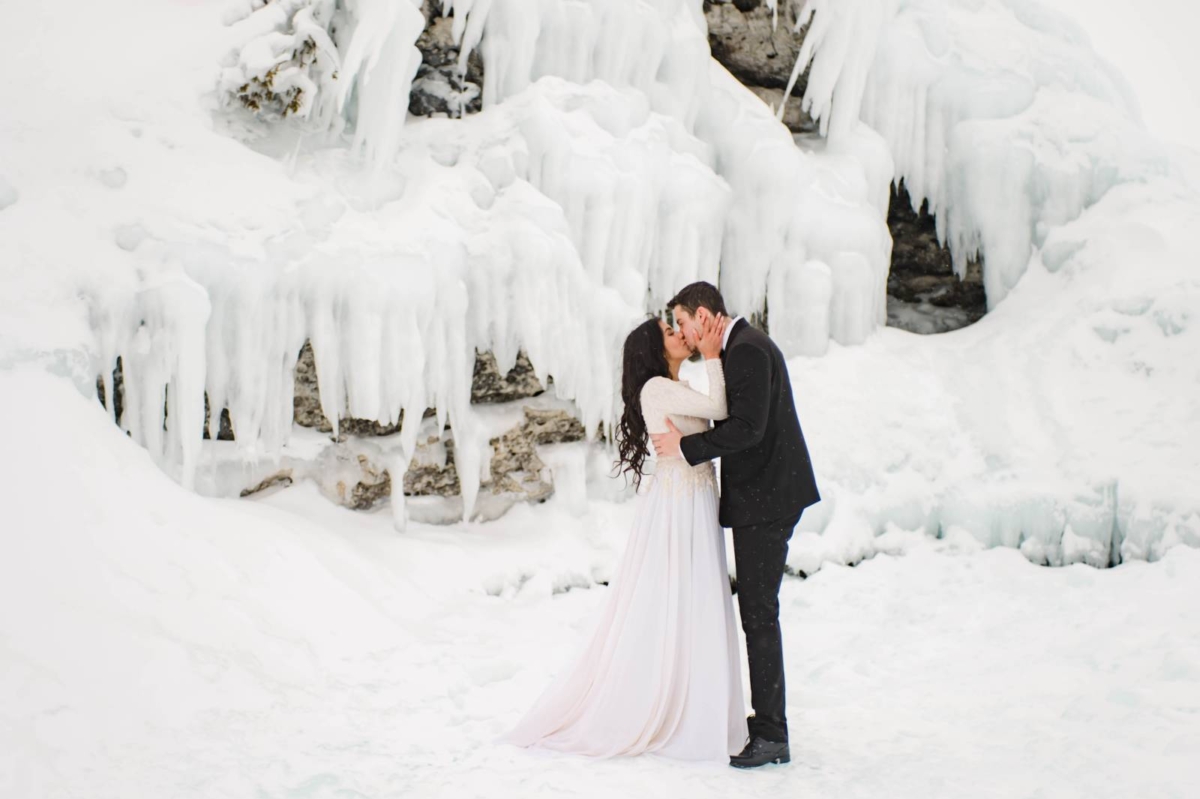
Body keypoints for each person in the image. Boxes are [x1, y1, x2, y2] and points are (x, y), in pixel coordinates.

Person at [498, 312, 748, 761]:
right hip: (680, 502)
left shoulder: (676, 387)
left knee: (695, 595)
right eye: (670, 333)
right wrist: (713, 355)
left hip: (693, 496)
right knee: (679, 594)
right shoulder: (656, 387)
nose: (679, 334)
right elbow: (721, 411)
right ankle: (667, 698)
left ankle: (694, 698)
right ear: (655, 350)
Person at [651, 281, 820, 769]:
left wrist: (685, 450)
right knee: (757, 611)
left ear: (704, 316)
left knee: (759, 614)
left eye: (682, 322)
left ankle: (771, 733)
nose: (681, 332)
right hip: (766, 496)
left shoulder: (747, 350)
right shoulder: (743, 347)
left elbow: (748, 429)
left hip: (767, 500)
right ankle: (767, 721)